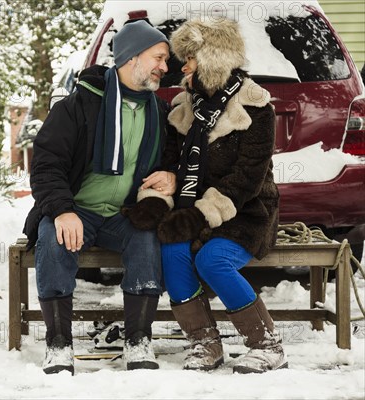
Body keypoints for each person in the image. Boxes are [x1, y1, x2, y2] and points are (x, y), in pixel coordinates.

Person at [126, 18, 287, 374]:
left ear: (215, 58)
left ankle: (267, 344)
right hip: (190, 208)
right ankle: (204, 342)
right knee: (171, 248)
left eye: (191, 58)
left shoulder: (256, 108)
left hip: (246, 212)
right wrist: (155, 201)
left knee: (211, 260)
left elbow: (247, 179)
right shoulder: (183, 108)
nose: (182, 66)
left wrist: (200, 216)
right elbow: (168, 167)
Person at [23, 20, 175, 374]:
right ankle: (58, 344)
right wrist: (61, 211)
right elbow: (46, 166)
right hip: (77, 209)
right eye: (159, 58)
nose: (164, 68)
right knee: (53, 238)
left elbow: (174, 160)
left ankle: (138, 340)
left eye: (166, 60)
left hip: (124, 213)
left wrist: (172, 175)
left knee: (146, 238)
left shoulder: (160, 113)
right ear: (132, 57)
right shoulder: (78, 107)